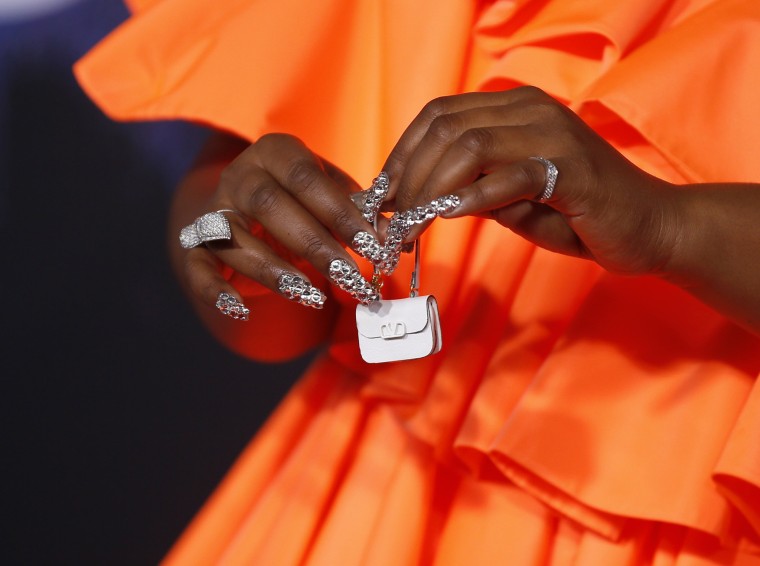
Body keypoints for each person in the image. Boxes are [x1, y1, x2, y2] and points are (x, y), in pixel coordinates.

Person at [75, 0, 760, 563]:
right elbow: (261, 298)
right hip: (371, 495)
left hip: (691, 519)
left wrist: (674, 228)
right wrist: (246, 244)